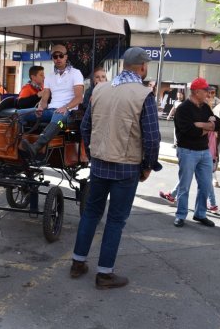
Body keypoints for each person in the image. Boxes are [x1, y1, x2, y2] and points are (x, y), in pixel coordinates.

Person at [71, 47, 161, 289]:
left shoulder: (100, 90)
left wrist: (93, 154)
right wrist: (148, 166)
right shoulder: (144, 94)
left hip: (100, 164)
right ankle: (104, 273)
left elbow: (85, 127)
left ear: (124, 66)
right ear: (142, 67)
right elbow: (152, 138)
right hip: (126, 167)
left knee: (91, 213)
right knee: (115, 220)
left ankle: (77, 262)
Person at [171, 77, 220, 228]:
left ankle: (200, 214)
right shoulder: (183, 109)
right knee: (184, 186)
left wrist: (202, 125)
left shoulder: (205, 107)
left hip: (204, 151)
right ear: (197, 91)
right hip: (187, 151)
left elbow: (217, 124)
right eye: (205, 90)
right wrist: (208, 126)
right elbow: (189, 131)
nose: (208, 93)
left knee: (205, 185)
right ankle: (180, 215)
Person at [19, 44, 84, 157]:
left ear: (66, 57)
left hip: (68, 113)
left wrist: (66, 107)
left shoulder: (76, 73)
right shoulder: (49, 76)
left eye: (61, 56)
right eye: (55, 56)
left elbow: (79, 98)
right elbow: (45, 99)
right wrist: (40, 107)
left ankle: (35, 147)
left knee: (58, 119)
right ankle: (19, 142)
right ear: (52, 58)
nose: (58, 58)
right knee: (19, 114)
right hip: (51, 110)